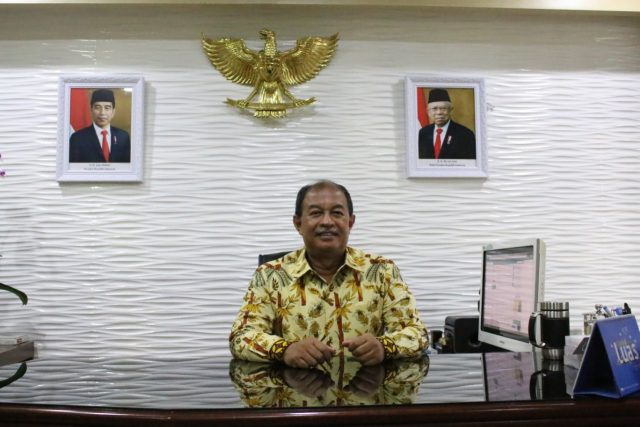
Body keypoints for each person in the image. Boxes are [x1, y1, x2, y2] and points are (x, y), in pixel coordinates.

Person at [229, 180, 428, 368]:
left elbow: (417, 334)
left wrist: (385, 347)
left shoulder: (382, 271)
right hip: (295, 390)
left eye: (337, 213)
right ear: (298, 223)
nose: (327, 221)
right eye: (316, 213)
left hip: (366, 389)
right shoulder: (270, 275)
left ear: (350, 222)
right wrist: (285, 350)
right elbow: (241, 337)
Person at [69, 89, 131, 163]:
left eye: (107, 108)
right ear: (91, 110)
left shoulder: (123, 137)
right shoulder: (77, 138)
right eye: (97, 107)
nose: (102, 113)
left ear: (113, 112)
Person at [418, 88, 476, 160]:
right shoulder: (422, 133)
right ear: (428, 111)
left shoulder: (466, 135)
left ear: (450, 110)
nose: (439, 112)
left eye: (443, 108)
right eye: (434, 109)